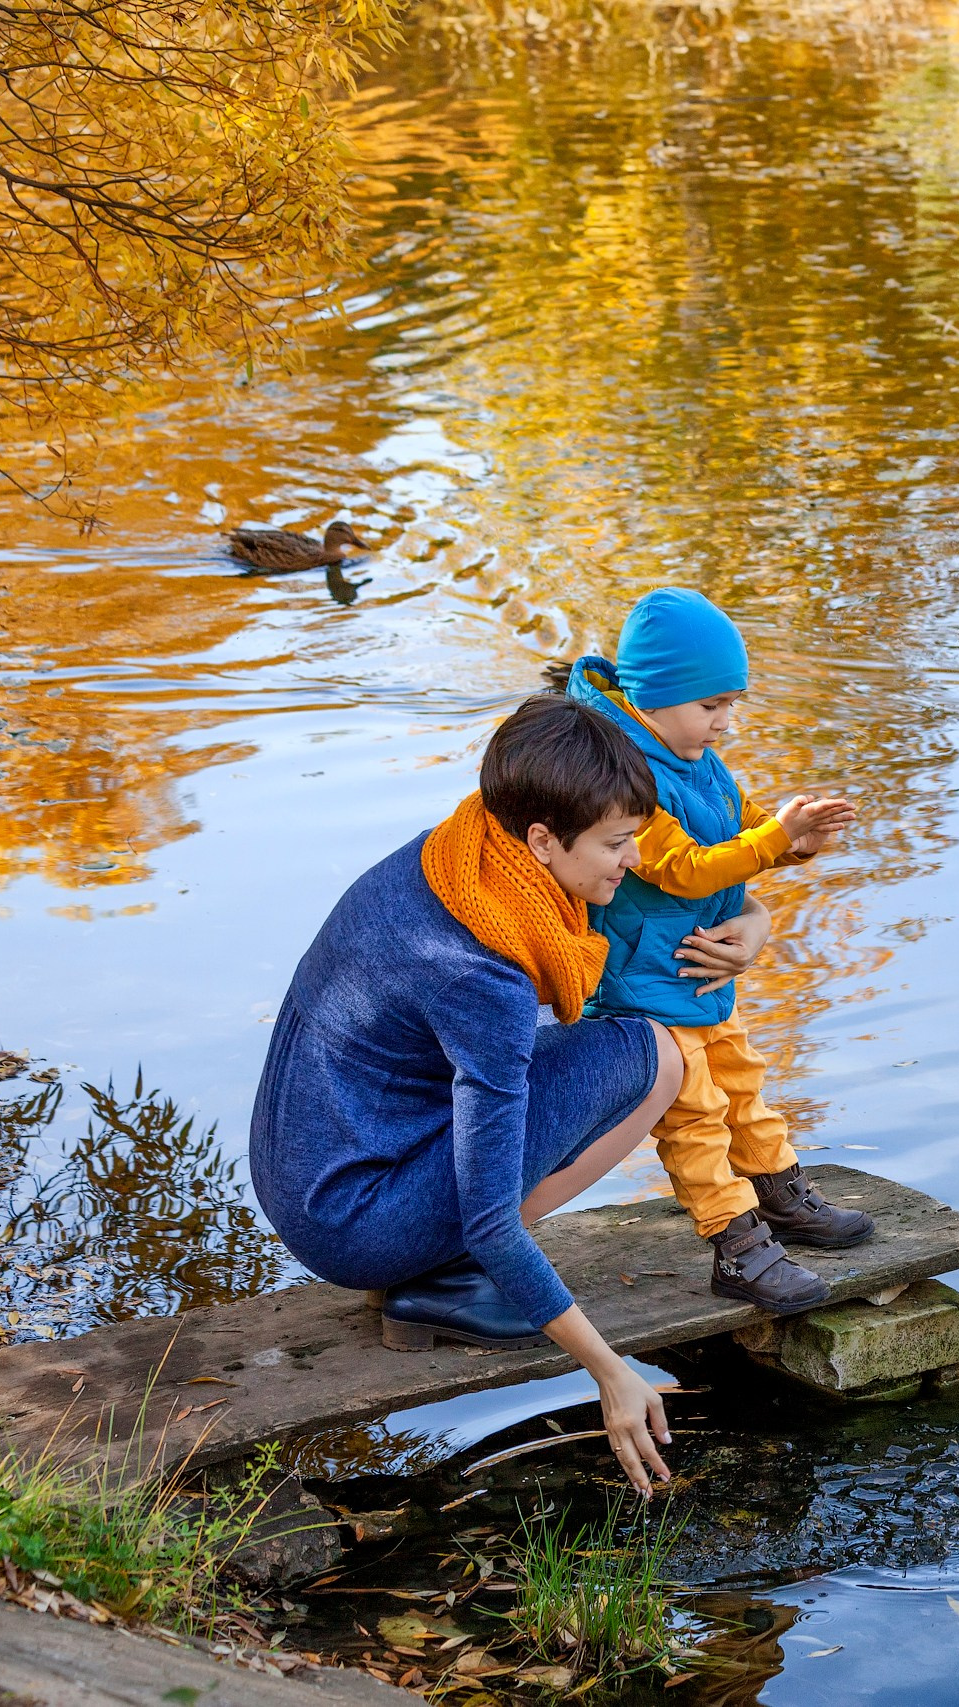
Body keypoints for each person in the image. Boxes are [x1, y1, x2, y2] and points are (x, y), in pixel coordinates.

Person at [249, 695, 686, 1494]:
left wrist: (751, 918)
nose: (630, 861)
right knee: (653, 1056)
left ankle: (438, 1263)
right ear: (543, 839)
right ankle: (444, 1279)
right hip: (353, 1218)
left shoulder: (455, 856)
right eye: (618, 844)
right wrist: (610, 1370)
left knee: (604, 1047)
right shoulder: (482, 969)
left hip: (308, 1164)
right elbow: (488, 1212)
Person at [560, 588, 870, 1312]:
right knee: (693, 1112)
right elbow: (685, 866)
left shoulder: (694, 753)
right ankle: (735, 1243)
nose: (725, 720)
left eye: (733, 701)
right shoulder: (620, 776)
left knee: (741, 1082)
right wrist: (770, 841)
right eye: (711, 705)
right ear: (655, 695)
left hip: (698, 968)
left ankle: (779, 1190)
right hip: (643, 977)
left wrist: (792, 841)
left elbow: (743, 825)